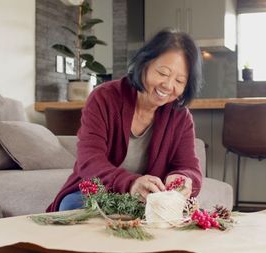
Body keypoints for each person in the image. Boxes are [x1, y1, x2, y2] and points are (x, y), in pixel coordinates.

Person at [47, 28, 203, 212]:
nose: (168, 86)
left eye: (179, 81)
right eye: (162, 73)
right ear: (144, 64)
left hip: (147, 201)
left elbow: (190, 168)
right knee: (72, 206)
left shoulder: (180, 116)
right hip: (99, 193)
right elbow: (89, 161)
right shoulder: (104, 98)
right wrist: (130, 184)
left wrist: (183, 179)